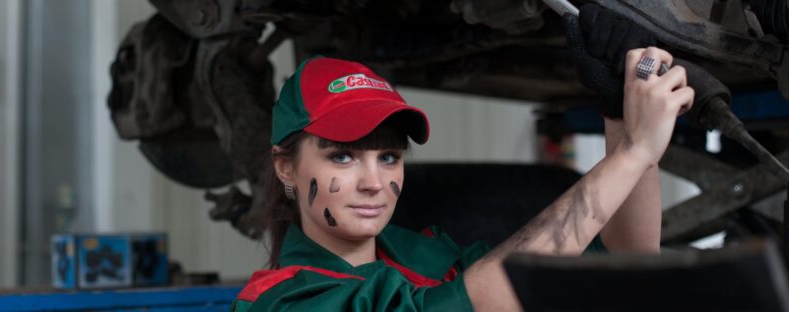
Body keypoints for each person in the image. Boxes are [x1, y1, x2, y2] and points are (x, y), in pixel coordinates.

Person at [230, 46, 693, 311]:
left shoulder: (432, 256)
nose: (374, 181)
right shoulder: (281, 301)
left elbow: (624, 260)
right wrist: (633, 153)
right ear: (286, 167)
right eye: (343, 158)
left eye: (389, 157)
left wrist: (622, 111)